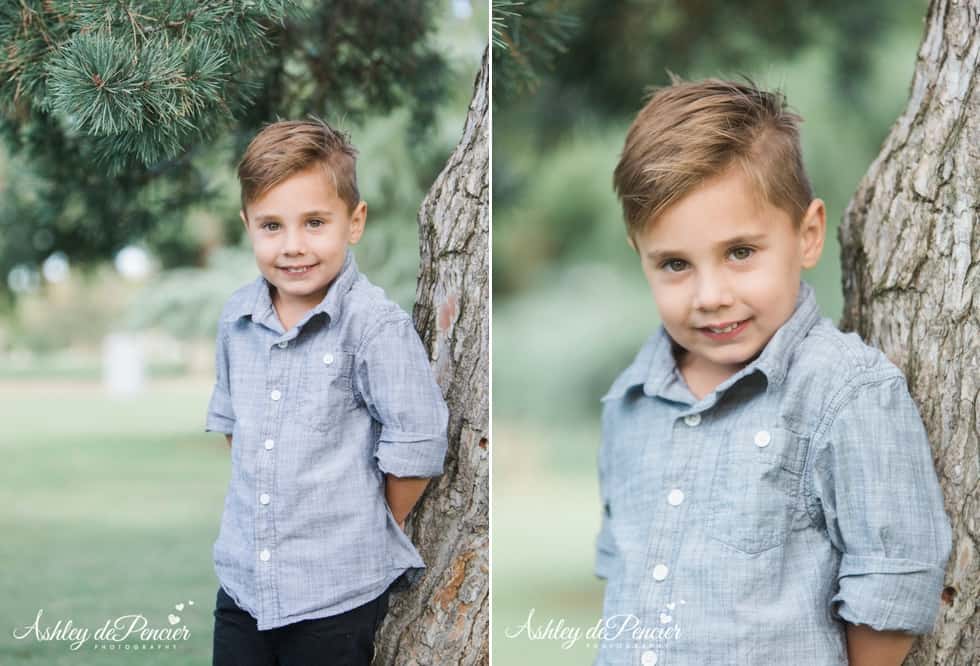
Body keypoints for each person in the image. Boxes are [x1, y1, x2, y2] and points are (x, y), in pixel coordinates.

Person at [594, 78, 952, 666]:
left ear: (806, 234)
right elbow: (623, 579)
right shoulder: (631, 402)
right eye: (676, 264)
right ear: (641, 256)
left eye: (740, 253)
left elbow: (891, 585)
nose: (711, 296)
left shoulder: (845, 391)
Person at [205, 118, 449, 666]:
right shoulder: (237, 319)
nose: (293, 247)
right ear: (247, 224)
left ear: (354, 221)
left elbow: (419, 443)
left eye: (315, 222)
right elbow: (235, 427)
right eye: (271, 226)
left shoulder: (373, 326)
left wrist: (359, 524)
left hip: (333, 598)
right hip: (244, 585)